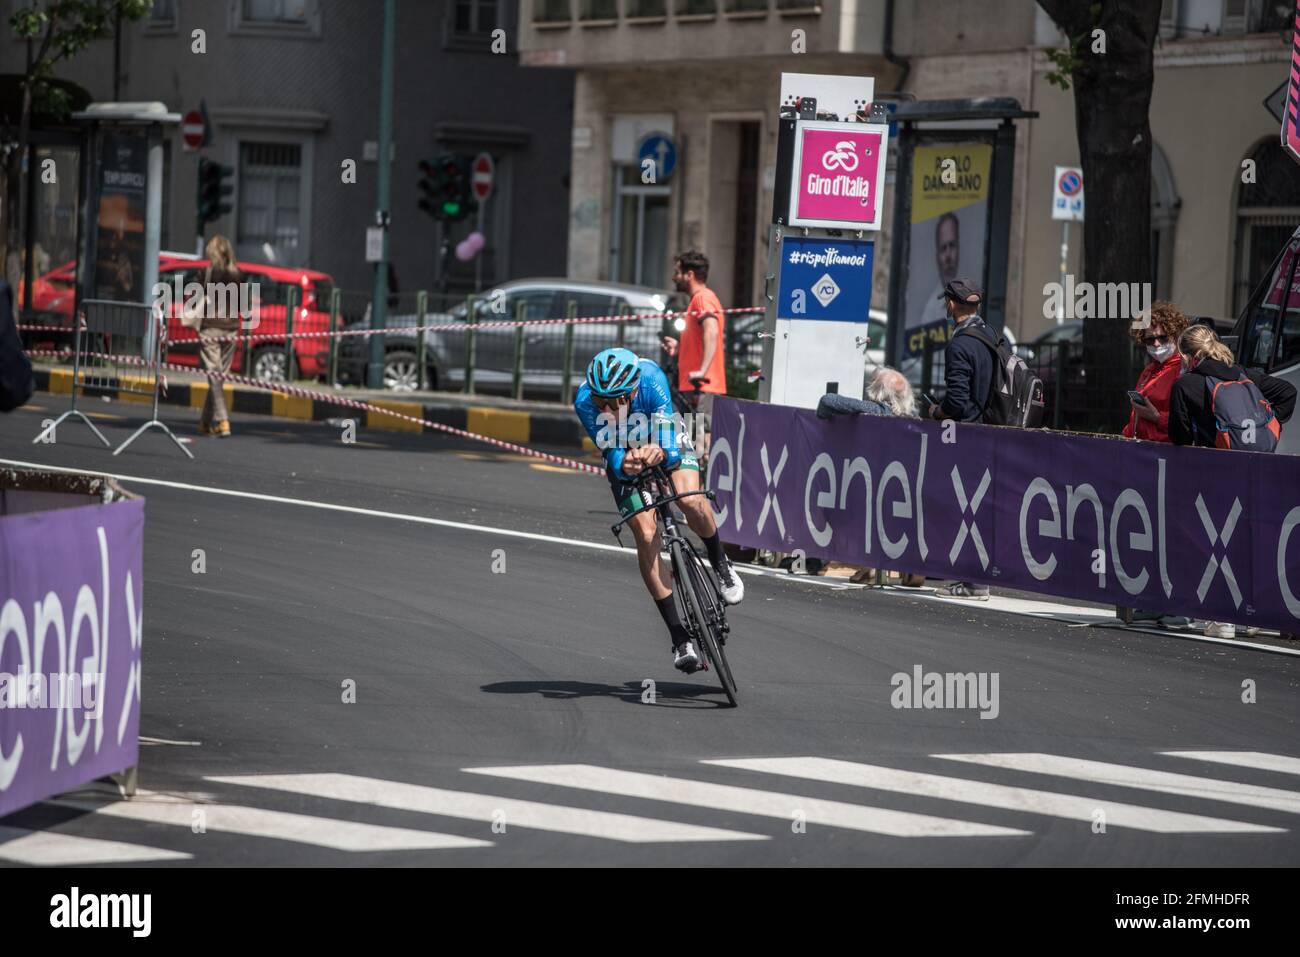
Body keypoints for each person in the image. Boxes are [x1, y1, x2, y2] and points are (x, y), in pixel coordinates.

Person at [575, 347, 744, 674]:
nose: (607, 408)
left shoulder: (651, 378)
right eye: (601, 402)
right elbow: (608, 448)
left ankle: (721, 563)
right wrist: (623, 462)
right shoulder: (585, 401)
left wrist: (660, 452)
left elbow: (669, 435)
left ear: (634, 390)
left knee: (689, 500)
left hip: (662, 436)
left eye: (616, 401)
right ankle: (679, 637)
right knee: (646, 533)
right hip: (626, 449)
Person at [1168, 323, 1296, 639]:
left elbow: (1179, 435)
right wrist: (1271, 423)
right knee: (1248, 539)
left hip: (1216, 471)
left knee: (1216, 541)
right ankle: (1251, 616)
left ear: (1187, 355)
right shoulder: (1243, 374)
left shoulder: (1187, 385)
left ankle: (1222, 619)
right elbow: (1288, 393)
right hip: (1256, 468)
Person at [926, 278, 996, 599]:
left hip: (966, 436)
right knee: (980, 507)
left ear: (951, 304)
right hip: (992, 432)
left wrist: (937, 411)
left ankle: (973, 580)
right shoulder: (990, 336)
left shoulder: (959, 344)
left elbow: (957, 400)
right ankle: (976, 577)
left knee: (966, 508)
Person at [660, 250, 727, 458]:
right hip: (695, 386)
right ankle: (696, 486)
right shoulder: (698, 300)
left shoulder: (703, 299)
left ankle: (700, 488)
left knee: (701, 443)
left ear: (689, 275)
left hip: (702, 386)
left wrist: (702, 371)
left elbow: (712, 330)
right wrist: (679, 349)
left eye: (677, 272)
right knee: (694, 443)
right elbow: (701, 339)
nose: (674, 277)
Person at [1123, 301, 1188, 443]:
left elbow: (1188, 423)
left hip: (1166, 451)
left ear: (1176, 335)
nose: (1156, 343)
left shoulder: (1185, 370)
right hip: (1141, 448)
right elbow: (1137, 416)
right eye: (1150, 339)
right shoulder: (1149, 370)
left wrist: (1157, 417)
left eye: (1163, 337)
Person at [198, 235, 243, 437]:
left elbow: (197, 298)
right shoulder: (237, 274)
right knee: (217, 378)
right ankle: (205, 423)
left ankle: (223, 421)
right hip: (231, 329)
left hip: (210, 329)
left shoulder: (207, 272)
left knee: (214, 377)